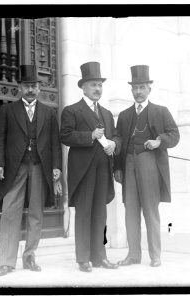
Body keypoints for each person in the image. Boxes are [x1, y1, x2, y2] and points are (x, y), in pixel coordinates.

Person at [0, 65, 62, 276]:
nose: (30, 90)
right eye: (26, 86)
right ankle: (6, 262)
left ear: (39, 88)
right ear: (20, 88)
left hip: (40, 166)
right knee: (10, 212)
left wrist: (57, 167)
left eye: (34, 86)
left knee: (36, 213)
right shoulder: (7, 110)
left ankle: (30, 257)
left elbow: (54, 143)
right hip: (15, 167)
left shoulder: (49, 113)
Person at [114, 65, 179, 268]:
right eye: (135, 88)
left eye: (142, 87)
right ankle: (133, 255)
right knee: (130, 210)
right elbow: (119, 141)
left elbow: (174, 135)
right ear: (131, 90)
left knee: (150, 210)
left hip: (149, 163)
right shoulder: (124, 116)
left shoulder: (161, 111)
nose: (139, 92)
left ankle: (155, 255)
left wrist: (159, 141)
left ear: (149, 88)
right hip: (129, 164)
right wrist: (117, 167)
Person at [60, 61, 121, 272]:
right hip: (83, 171)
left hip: (103, 169)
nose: (97, 89)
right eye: (93, 85)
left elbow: (114, 138)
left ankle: (99, 257)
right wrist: (89, 136)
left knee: (100, 214)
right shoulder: (71, 111)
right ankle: (83, 259)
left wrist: (113, 144)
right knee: (84, 214)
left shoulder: (105, 113)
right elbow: (65, 135)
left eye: (100, 85)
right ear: (83, 87)